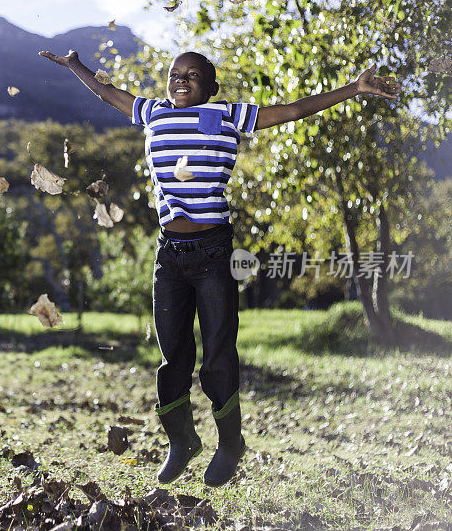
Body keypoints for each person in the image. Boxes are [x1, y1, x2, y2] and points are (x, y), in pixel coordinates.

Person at [39, 48, 401, 487]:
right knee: (173, 356)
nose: (182, 80)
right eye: (175, 74)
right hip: (169, 254)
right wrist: (74, 64)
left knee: (217, 356)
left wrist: (353, 88)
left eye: (193, 76)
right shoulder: (151, 112)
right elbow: (105, 91)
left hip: (212, 252)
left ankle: (230, 443)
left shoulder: (227, 114)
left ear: (211, 88)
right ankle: (182, 441)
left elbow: (294, 110)